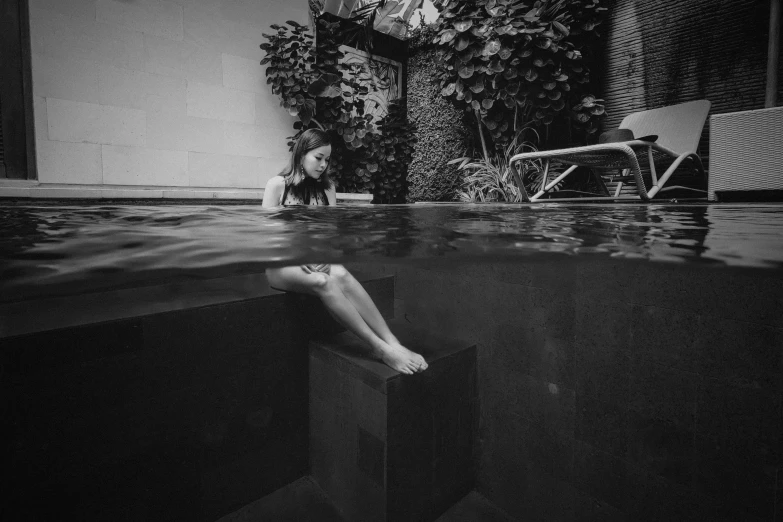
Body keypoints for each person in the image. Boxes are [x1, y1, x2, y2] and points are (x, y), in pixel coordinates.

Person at [262, 128, 428, 375]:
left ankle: (393, 342)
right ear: (301, 154)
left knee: (340, 272)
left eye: (327, 159)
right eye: (318, 157)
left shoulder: (327, 189)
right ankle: (380, 349)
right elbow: (266, 239)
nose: (323, 165)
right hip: (280, 265)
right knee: (323, 281)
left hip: (314, 259)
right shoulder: (277, 185)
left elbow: (330, 238)